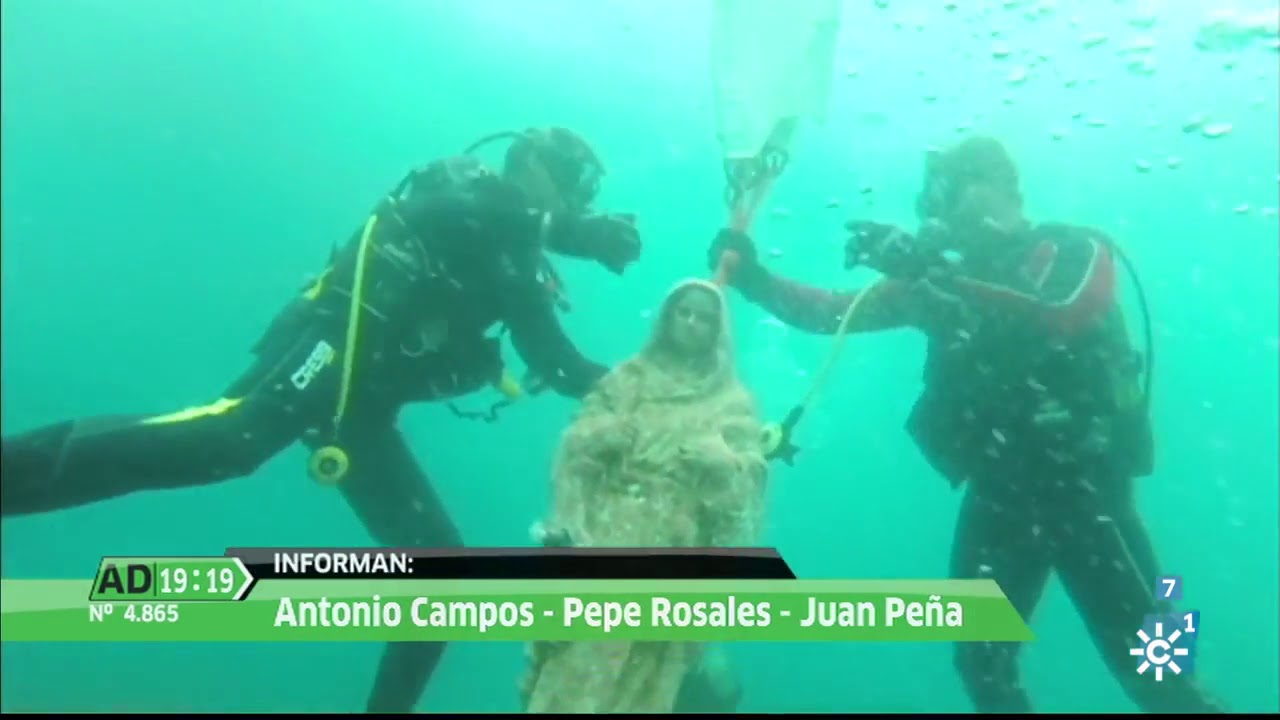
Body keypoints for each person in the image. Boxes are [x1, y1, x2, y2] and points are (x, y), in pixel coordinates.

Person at [0, 127, 643, 713]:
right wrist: (562, 230)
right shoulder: (466, 190)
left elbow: (555, 361)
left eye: (585, 196)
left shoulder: (520, 262)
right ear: (529, 161)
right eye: (573, 184)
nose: (580, 202)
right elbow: (435, 215)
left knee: (442, 571)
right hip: (330, 346)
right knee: (229, 441)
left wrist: (649, 392)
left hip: (364, 409)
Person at [706, 135, 1224, 714]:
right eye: (932, 197)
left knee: (1163, 669)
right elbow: (831, 313)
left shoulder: (1071, 249)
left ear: (1003, 188)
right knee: (981, 662)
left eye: (950, 191)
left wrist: (931, 272)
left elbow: (1063, 311)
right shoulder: (937, 281)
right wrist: (753, 277)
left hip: (1088, 489)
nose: (938, 210)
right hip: (1000, 492)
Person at [521, 279, 768, 713]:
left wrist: (724, 463)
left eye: (704, 317)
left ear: (717, 330)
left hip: (674, 555)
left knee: (646, 680)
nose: (691, 324)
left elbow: (748, 487)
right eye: (684, 312)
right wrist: (602, 435)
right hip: (606, 538)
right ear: (667, 316)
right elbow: (575, 448)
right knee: (574, 665)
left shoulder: (732, 403)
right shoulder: (628, 380)